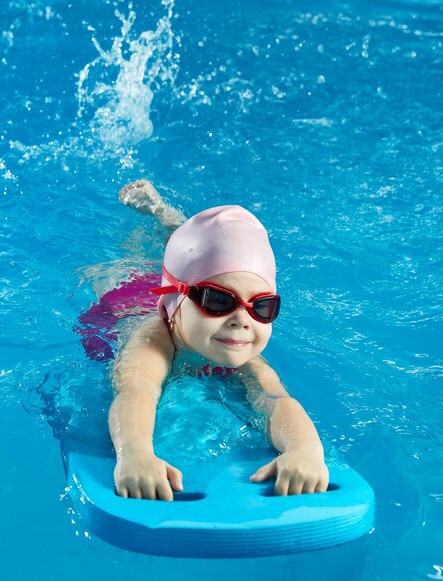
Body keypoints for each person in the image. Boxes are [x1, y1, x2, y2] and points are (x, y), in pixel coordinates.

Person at [109, 180, 329, 500]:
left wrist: (306, 451)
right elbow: (136, 390)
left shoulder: (243, 352)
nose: (242, 319)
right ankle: (159, 215)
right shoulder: (152, 344)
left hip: (182, 284)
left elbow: (276, 400)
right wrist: (134, 454)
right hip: (128, 298)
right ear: (174, 305)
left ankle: (168, 220)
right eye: (218, 300)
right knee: (131, 261)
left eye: (262, 306)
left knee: (186, 248)